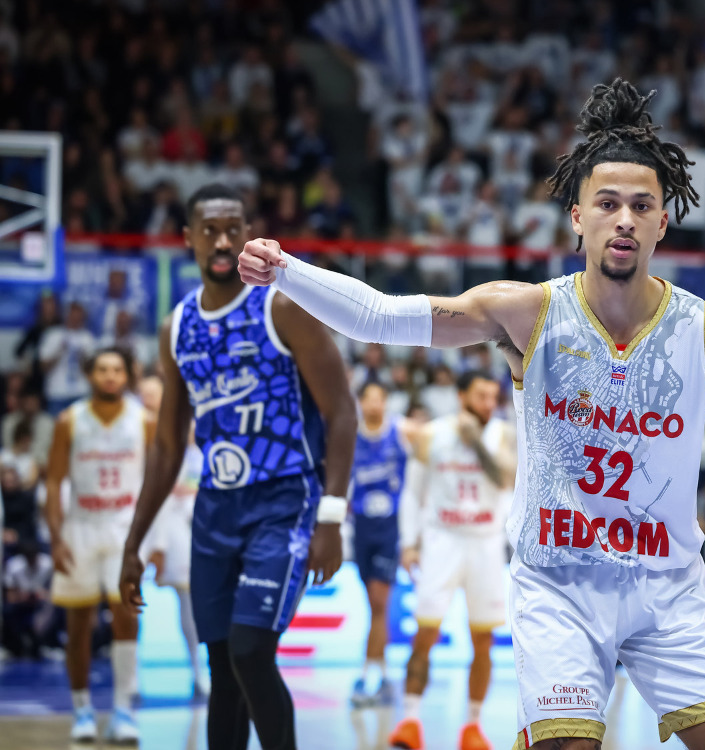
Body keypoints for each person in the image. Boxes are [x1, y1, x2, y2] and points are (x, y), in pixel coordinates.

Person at [239, 79, 705, 750]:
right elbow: (381, 317)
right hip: (558, 588)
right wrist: (286, 271)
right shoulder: (527, 312)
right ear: (577, 217)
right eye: (607, 203)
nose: (624, 219)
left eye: (641, 206)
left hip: (670, 590)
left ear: (663, 221)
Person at [119, 183, 357, 750]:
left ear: (249, 234)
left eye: (233, 229)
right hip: (215, 508)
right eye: (210, 231)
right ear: (189, 238)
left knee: (251, 651)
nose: (223, 242)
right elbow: (167, 445)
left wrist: (330, 517)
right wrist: (134, 541)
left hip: (285, 500)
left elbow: (342, 413)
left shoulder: (281, 307)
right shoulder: (176, 327)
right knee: (223, 667)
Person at [391, 370, 515, 750]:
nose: (489, 404)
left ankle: (473, 727)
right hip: (441, 540)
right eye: (481, 396)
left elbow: (508, 480)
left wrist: (476, 443)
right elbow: (412, 493)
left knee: (483, 639)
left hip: (485, 543)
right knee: (425, 634)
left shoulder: (504, 434)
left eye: (493, 397)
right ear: (461, 396)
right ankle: (410, 721)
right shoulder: (432, 434)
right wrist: (409, 543)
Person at [45, 347, 153, 743]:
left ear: (127, 376)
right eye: (103, 369)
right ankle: (82, 710)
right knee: (78, 626)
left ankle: (123, 709)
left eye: (117, 370)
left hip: (125, 529)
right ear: (90, 375)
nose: (110, 376)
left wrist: (153, 540)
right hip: (81, 526)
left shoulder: (144, 421)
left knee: (126, 616)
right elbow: (54, 481)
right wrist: (56, 538)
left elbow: (155, 482)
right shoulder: (69, 420)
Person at [137, 374, 208, 700]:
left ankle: (200, 671)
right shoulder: (135, 429)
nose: (148, 398)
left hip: (185, 523)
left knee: (191, 599)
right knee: (130, 599)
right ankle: (132, 675)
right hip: (144, 522)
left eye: (153, 393)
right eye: (143, 393)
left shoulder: (189, 424)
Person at [348, 381, 414, 709]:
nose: (374, 404)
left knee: (378, 603)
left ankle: (366, 677)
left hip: (389, 529)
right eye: (369, 399)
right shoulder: (350, 435)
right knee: (375, 606)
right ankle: (385, 676)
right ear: (360, 403)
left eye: (379, 399)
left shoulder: (400, 431)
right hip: (361, 528)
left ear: (386, 402)